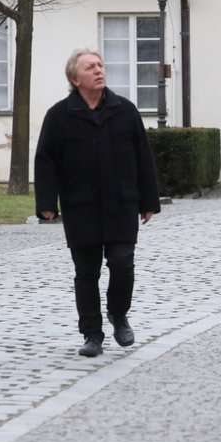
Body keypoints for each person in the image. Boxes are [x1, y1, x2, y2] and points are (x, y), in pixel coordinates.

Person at [35, 48, 161, 358]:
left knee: (122, 262)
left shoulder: (125, 111)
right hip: (81, 206)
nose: (99, 70)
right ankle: (91, 333)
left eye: (101, 65)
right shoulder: (59, 115)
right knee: (86, 272)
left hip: (121, 203)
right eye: (91, 67)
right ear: (75, 78)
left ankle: (118, 314)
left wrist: (148, 200)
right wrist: (47, 202)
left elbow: (143, 157)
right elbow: (45, 160)